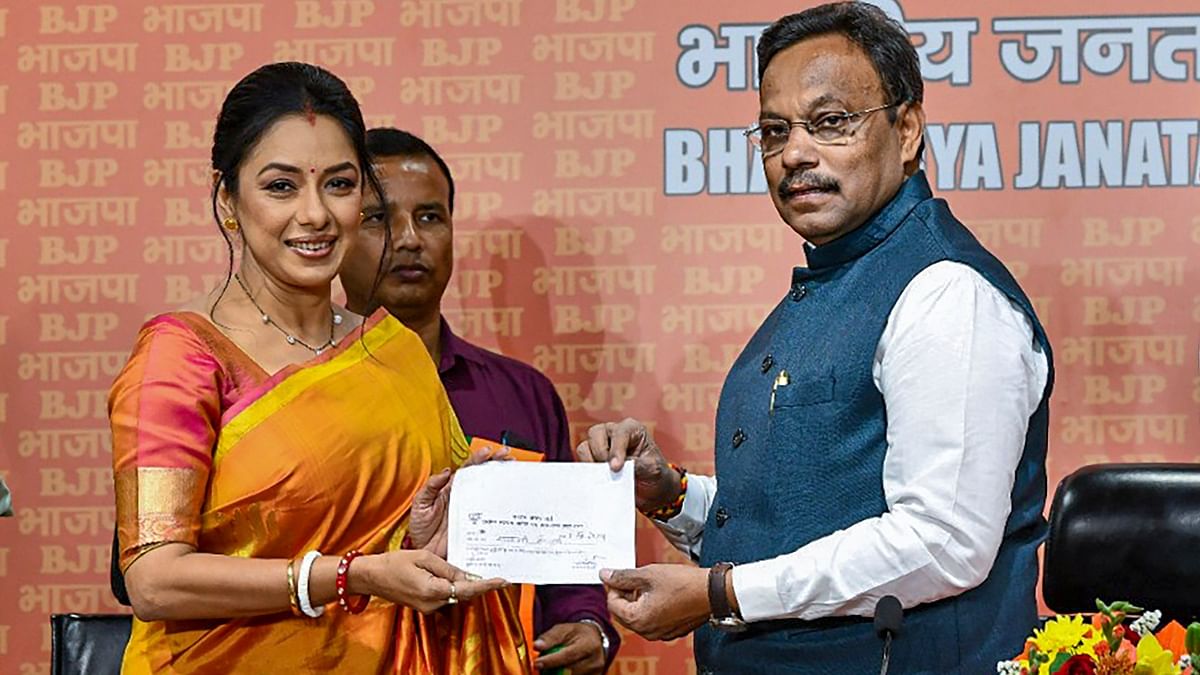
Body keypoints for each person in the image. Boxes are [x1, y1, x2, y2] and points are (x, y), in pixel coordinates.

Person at [575, 3, 1053, 673]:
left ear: (908, 128)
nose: (796, 152)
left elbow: (942, 542)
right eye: (775, 130)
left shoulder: (947, 293)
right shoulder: (832, 281)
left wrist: (720, 591)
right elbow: (795, 519)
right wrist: (671, 495)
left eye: (831, 122)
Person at [109, 62, 528, 673]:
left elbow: (403, 558)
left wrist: (427, 535)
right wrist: (348, 577)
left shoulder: (393, 348)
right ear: (228, 199)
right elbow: (153, 578)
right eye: (281, 187)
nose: (315, 215)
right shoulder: (184, 356)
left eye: (339, 184)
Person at [340, 127, 619, 675]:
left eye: (430, 217)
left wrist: (590, 628)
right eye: (378, 218)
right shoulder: (297, 392)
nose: (409, 239)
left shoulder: (521, 393)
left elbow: (566, 564)